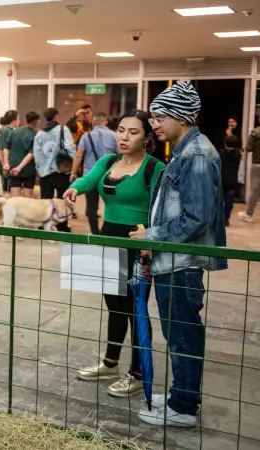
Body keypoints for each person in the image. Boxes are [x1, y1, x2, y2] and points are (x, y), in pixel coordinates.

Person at [129, 80, 227, 427]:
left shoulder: (196, 155)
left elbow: (197, 217)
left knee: (183, 335)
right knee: (178, 333)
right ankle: (179, 395)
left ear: (179, 116)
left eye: (159, 116)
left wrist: (150, 235)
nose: (154, 123)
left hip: (182, 263)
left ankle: (183, 407)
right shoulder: (185, 150)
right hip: (170, 259)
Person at [63, 109, 164, 398]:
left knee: (136, 310)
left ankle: (137, 372)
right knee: (114, 305)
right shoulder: (109, 161)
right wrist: (73, 189)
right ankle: (110, 364)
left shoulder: (154, 167)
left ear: (146, 137)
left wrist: (151, 238)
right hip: (108, 239)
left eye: (133, 132)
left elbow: (162, 207)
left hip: (138, 244)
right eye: (121, 130)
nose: (124, 137)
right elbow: (89, 180)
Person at [70, 111, 119, 234]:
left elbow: (78, 155)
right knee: (112, 204)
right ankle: (110, 231)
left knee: (92, 206)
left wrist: (73, 172)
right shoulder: (115, 136)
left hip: (90, 176)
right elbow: (121, 156)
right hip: (110, 176)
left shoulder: (86, 136)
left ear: (93, 121)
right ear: (106, 121)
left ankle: (95, 233)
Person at [32, 108, 77, 232]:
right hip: (62, 171)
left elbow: (36, 153)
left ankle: (45, 225)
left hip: (45, 173)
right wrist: (75, 165)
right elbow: (70, 148)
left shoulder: (39, 133)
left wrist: (40, 169)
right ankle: (62, 226)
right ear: (56, 117)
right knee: (63, 201)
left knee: (46, 201)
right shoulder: (63, 129)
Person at [3, 111, 40, 198]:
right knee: (27, 199)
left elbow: (6, 148)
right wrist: (19, 168)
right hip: (28, 171)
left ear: (25, 120)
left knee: (15, 199)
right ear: (36, 122)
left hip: (13, 169)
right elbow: (31, 154)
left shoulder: (14, 132)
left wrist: (6, 163)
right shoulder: (35, 136)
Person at [220, 135, 243, 226]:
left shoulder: (222, 153)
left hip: (221, 180)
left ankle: (219, 218)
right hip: (233, 181)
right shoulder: (238, 154)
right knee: (229, 201)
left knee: (219, 201)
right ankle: (226, 218)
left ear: (225, 144)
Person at [0, 110, 20, 193]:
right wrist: (4, 166)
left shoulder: (11, 130)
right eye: (18, 118)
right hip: (5, 166)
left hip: (10, 165)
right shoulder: (4, 131)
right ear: (14, 120)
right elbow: (0, 151)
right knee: (6, 192)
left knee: (10, 191)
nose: (19, 121)